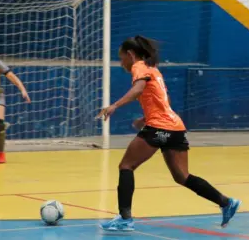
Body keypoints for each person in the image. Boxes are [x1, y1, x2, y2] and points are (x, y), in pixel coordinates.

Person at [97, 35, 241, 231]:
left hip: (160, 127)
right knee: (182, 176)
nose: (121, 61)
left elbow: (138, 89)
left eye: (121, 57)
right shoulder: (154, 70)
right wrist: (145, 119)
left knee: (126, 166)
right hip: (175, 127)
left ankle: (125, 219)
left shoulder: (138, 66)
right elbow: (166, 101)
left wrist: (115, 105)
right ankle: (226, 202)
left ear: (130, 54)